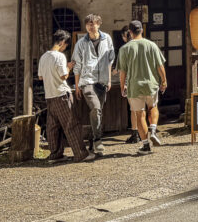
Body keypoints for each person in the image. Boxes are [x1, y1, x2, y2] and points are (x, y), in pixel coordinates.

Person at [116, 20, 167, 155]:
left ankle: (146, 145)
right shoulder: (152, 45)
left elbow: (122, 72)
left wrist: (122, 86)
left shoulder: (125, 49)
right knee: (153, 107)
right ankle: (154, 130)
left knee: (140, 115)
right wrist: (164, 81)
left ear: (130, 32)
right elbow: (160, 66)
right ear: (142, 30)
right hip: (151, 84)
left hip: (134, 86)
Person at [38, 30, 88, 162]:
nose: (65, 47)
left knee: (53, 127)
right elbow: (64, 76)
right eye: (65, 45)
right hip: (62, 94)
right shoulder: (59, 56)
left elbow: (40, 77)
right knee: (71, 124)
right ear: (61, 42)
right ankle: (80, 153)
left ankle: (55, 154)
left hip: (49, 95)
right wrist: (69, 67)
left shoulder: (44, 57)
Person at [71, 13, 115, 156]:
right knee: (96, 108)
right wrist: (77, 85)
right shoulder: (81, 43)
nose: (91, 26)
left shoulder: (107, 39)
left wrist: (108, 79)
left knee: (98, 112)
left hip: (102, 80)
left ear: (99, 24)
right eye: (88, 23)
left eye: (93, 23)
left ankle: (92, 142)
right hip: (87, 81)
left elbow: (110, 60)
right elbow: (76, 65)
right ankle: (97, 140)